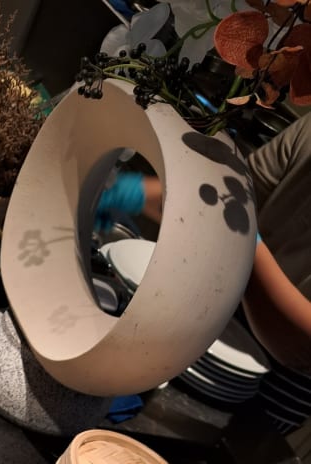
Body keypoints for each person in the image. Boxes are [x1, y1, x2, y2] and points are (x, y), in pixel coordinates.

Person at [97, 113, 311, 374]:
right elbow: (227, 205)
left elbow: (301, 346)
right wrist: (133, 193)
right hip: (213, 314)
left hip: (277, 375)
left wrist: (245, 248)